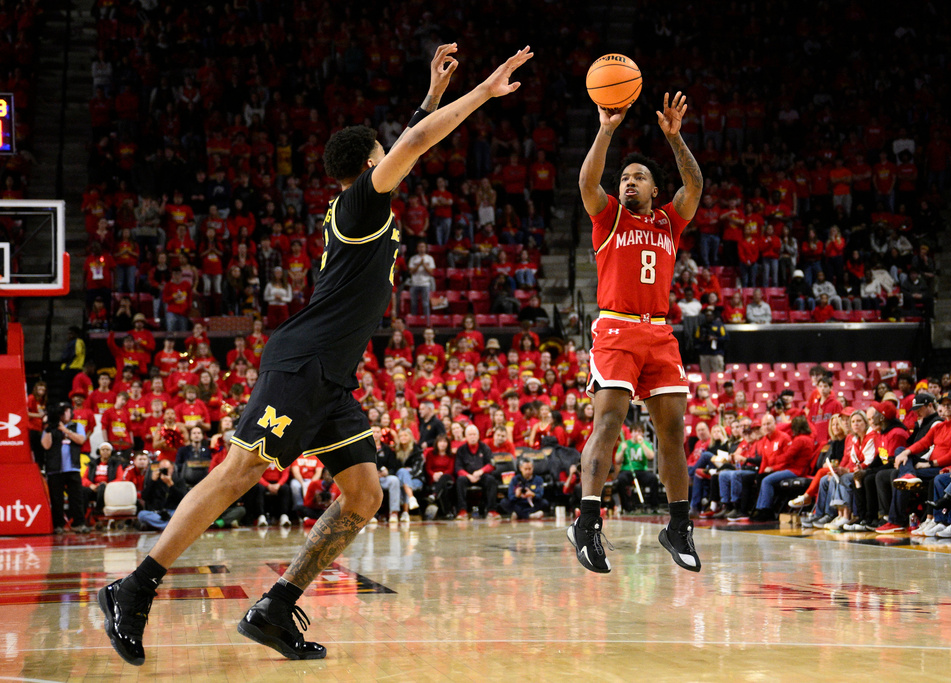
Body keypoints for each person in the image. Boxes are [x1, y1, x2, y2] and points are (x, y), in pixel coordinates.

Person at [98, 43, 535, 665]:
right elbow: (412, 146)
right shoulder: (362, 200)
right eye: (385, 156)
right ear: (369, 165)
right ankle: (133, 588)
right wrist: (482, 93)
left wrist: (431, 95)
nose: (397, 156)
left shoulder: (356, 202)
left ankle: (275, 607)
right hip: (302, 361)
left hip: (330, 375)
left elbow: (406, 138)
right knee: (241, 471)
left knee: (363, 495)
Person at [568, 91, 703, 574]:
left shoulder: (669, 221)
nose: (628, 182)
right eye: (624, 177)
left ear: (653, 188)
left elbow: (695, 186)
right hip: (617, 329)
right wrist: (606, 128)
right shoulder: (608, 216)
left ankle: (679, 525)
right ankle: (587, 522)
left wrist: (675, 138)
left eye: (638, 177)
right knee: (609, 422)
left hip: (660, 333)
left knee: (672, 433)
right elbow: (587, 180)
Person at [42, 402, 89, 533]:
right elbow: (45, 445)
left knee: (77, 498)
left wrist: (65, 430)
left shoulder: (76, 426)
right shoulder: (51, 427)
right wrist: (48, 428)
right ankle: (58, 525)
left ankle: (79, 523)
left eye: (67, 411)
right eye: (62, 412)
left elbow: (81, 440)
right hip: (55, 469)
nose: (65, 414)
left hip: (72, 468)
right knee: (56, 499)